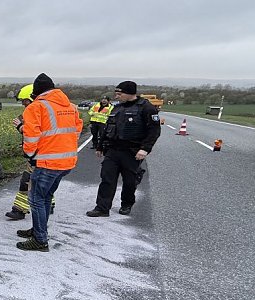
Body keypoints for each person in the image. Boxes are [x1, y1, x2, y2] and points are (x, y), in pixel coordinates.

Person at [16, 73, 82, 251]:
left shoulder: (36, 107)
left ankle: (40, 240)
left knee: (36, 199)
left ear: (36, 92)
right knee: (45, 197)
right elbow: (76, 130)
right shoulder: (71, 106)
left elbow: (31, 136)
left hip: (47, 163)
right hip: (66, 162)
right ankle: (38, 229)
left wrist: (30, 154)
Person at [86, 80, 161, 217]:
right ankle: (102, 208)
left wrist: (145, 149)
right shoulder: (117, 108)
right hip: (113, 150)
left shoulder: (146, 108)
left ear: (129, 93)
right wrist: (100, 146)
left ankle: (126, 204)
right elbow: (107, 127)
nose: (116, 96)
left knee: (129, 181)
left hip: (132, 152)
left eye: (119, 93)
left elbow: (154, 131)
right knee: (107, 178)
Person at [4, 84, 35, 221]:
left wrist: (20, 127)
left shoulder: (36, 113)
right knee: (44, 181)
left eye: (25, 102)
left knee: (26, 181)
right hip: (43, 155)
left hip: (38, 155)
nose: (24, 105)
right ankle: (50, 204)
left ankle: (19, 210)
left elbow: (33, 133)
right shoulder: (41, 112)